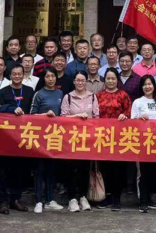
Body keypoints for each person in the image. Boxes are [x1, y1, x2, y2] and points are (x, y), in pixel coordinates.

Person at [0, 64, 35, 214]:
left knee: (19, 170)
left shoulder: (30, 91)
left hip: (23, 136)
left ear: (23, 75)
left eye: (20, 74)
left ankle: (15, 199)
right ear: (10, 75)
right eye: (14, 74)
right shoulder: (3, 91)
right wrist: (12, 109)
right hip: (5, 136)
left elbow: (33, 110)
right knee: (3, 169)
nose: (17, 76)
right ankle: (3, 201)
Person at [61, 71, 99, 212]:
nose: (80, 83)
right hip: (71, 139)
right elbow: (63, 117)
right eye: (77, 80)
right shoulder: (68, 97)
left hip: (87, 139)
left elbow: (96, 117)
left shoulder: (93, 97)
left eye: (82, 80)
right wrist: (77, 116)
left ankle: (83, 197)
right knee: (71, 169)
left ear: (86, 82)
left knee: (85, 169)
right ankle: (72, 198)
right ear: (74, 82)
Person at [28, 68, 65, 213]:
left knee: (51, 170)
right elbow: (31, 114)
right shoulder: (39, 94)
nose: (50, 79)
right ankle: (38, 200)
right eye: (48, 76)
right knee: (40, 170)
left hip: (55, 137)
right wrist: (44, 115)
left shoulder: (60, 93)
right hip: (41, 138)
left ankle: (50, 199)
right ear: (44, 78)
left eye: (53, 76)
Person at [97, 69, 133, 210]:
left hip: (119, 138)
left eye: (113, 78)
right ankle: (107, 197)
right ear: (104, 80)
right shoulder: (99, 95)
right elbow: (94, 113)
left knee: (118, 168)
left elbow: (129, 112)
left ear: (117, 80)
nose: (110, 81)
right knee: (105, 168)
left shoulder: (123, 95)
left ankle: (117, 199)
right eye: (108, 78)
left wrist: (124, 116)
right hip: (102, 137)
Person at [131, 74, 156, 212]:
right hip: (142, 141)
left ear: (154, 86)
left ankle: (149, 198)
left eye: (150, 84)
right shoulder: (137, 102)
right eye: (145, 84)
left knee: (153, 172)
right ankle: (142, 200)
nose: (147, 87)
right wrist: (139, 118)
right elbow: (132, 122)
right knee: (142, 172)